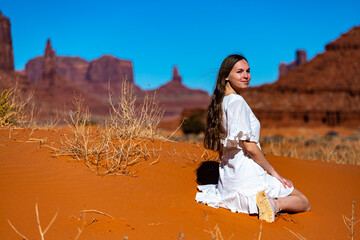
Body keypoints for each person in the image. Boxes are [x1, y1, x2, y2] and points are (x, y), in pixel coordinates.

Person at [195, 54, 310, 222]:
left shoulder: (220, 103)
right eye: (239, 71)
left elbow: (223, 148)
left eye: (248, 71)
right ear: (226, 76)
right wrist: (274, 173)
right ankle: (274, 205)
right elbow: (249, 146)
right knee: (304, 202)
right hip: (247, 175)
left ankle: (266, 202)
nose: (246, 76)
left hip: (228, 181)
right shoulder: (237, 102)